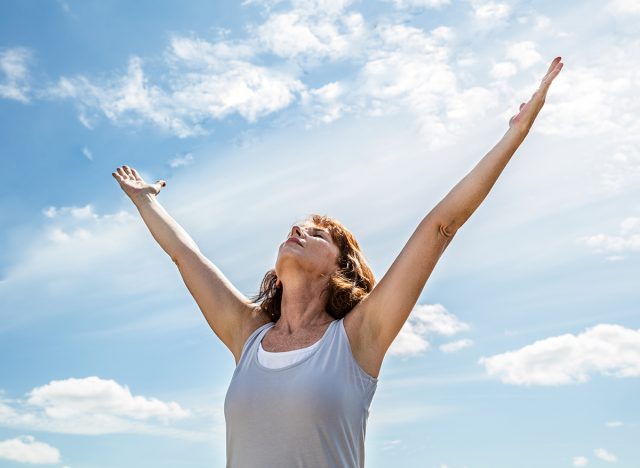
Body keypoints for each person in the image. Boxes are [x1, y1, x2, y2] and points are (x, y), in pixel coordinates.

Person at [112, 56, 564, 467]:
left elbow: (440, 226)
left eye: (318, 233)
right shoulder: (247, 333)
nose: (299, 231)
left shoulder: (358, 338)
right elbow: (184, 255)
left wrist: (515, 134)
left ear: (338, 266)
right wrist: (146, 202)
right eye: (297, 226)